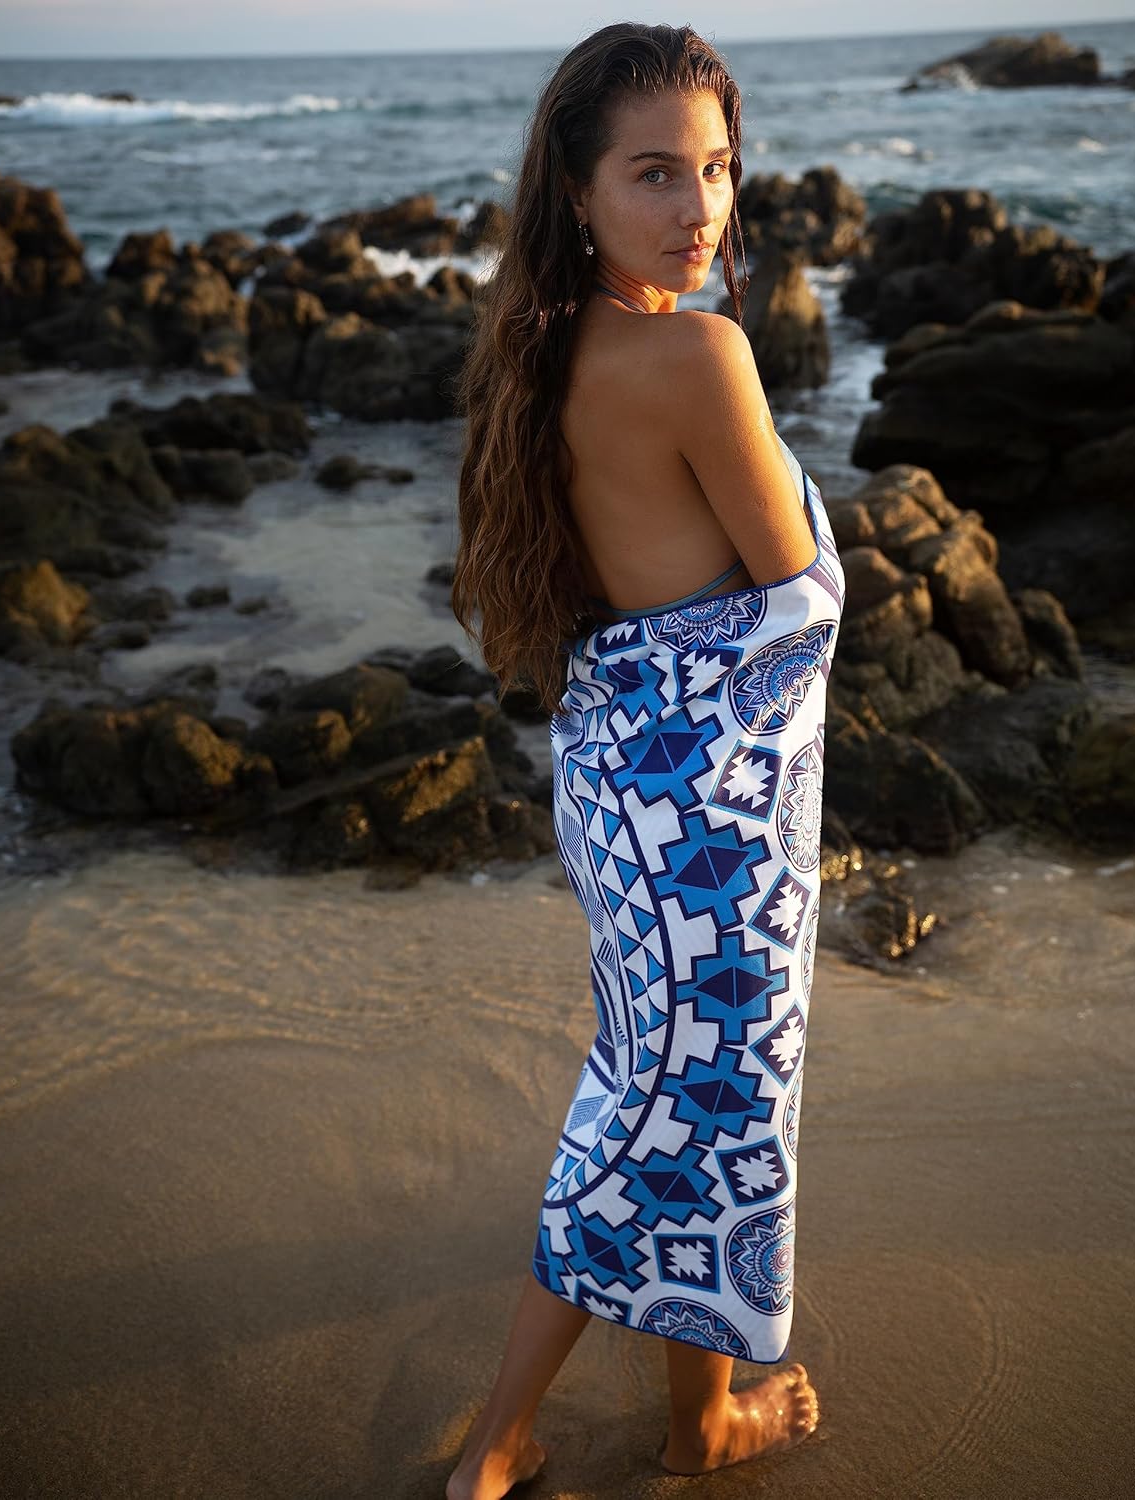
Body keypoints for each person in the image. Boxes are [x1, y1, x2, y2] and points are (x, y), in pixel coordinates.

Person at [449, 21, 845, 1499]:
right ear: (578, 188)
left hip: (618, 791)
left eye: (719, 168)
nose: (701, 208)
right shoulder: (699, 353)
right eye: (655, 173)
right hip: (712, 829)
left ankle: (695, 1424)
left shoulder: (538, 347)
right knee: (693, 1125)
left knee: (665, 1107)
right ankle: (497, 1447)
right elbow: (791, 582)